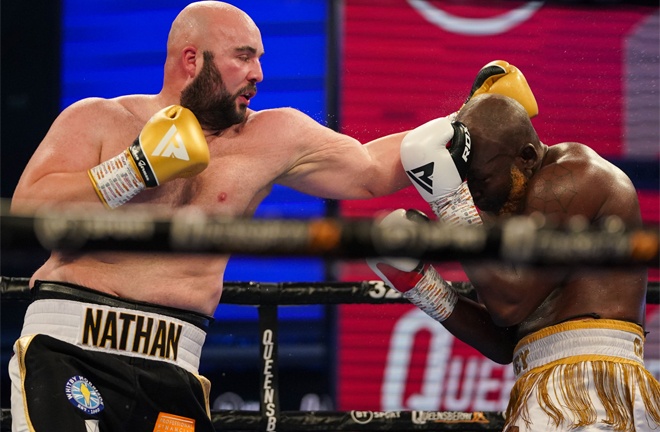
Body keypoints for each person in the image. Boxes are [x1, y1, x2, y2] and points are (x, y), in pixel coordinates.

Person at [7, 1, 538, 430]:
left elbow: (369, 169)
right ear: (192, 60)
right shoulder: (99, 117)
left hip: (174, 366)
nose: (258, 73)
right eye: (243, 56)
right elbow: (29, 212)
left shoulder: (272, 135)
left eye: (259, 57)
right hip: (73, 348)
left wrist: (467, 119)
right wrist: (135, 169)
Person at [369, 93, 660, 431]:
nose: (475, 196)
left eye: (481, 180)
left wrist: (449, 200)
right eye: (465, 184)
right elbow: (506, 340)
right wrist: (422, 285)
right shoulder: (512, 205)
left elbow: (511, 303)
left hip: (592, 386)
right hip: (544, 387)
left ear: (527, 157)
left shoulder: (570, 178)